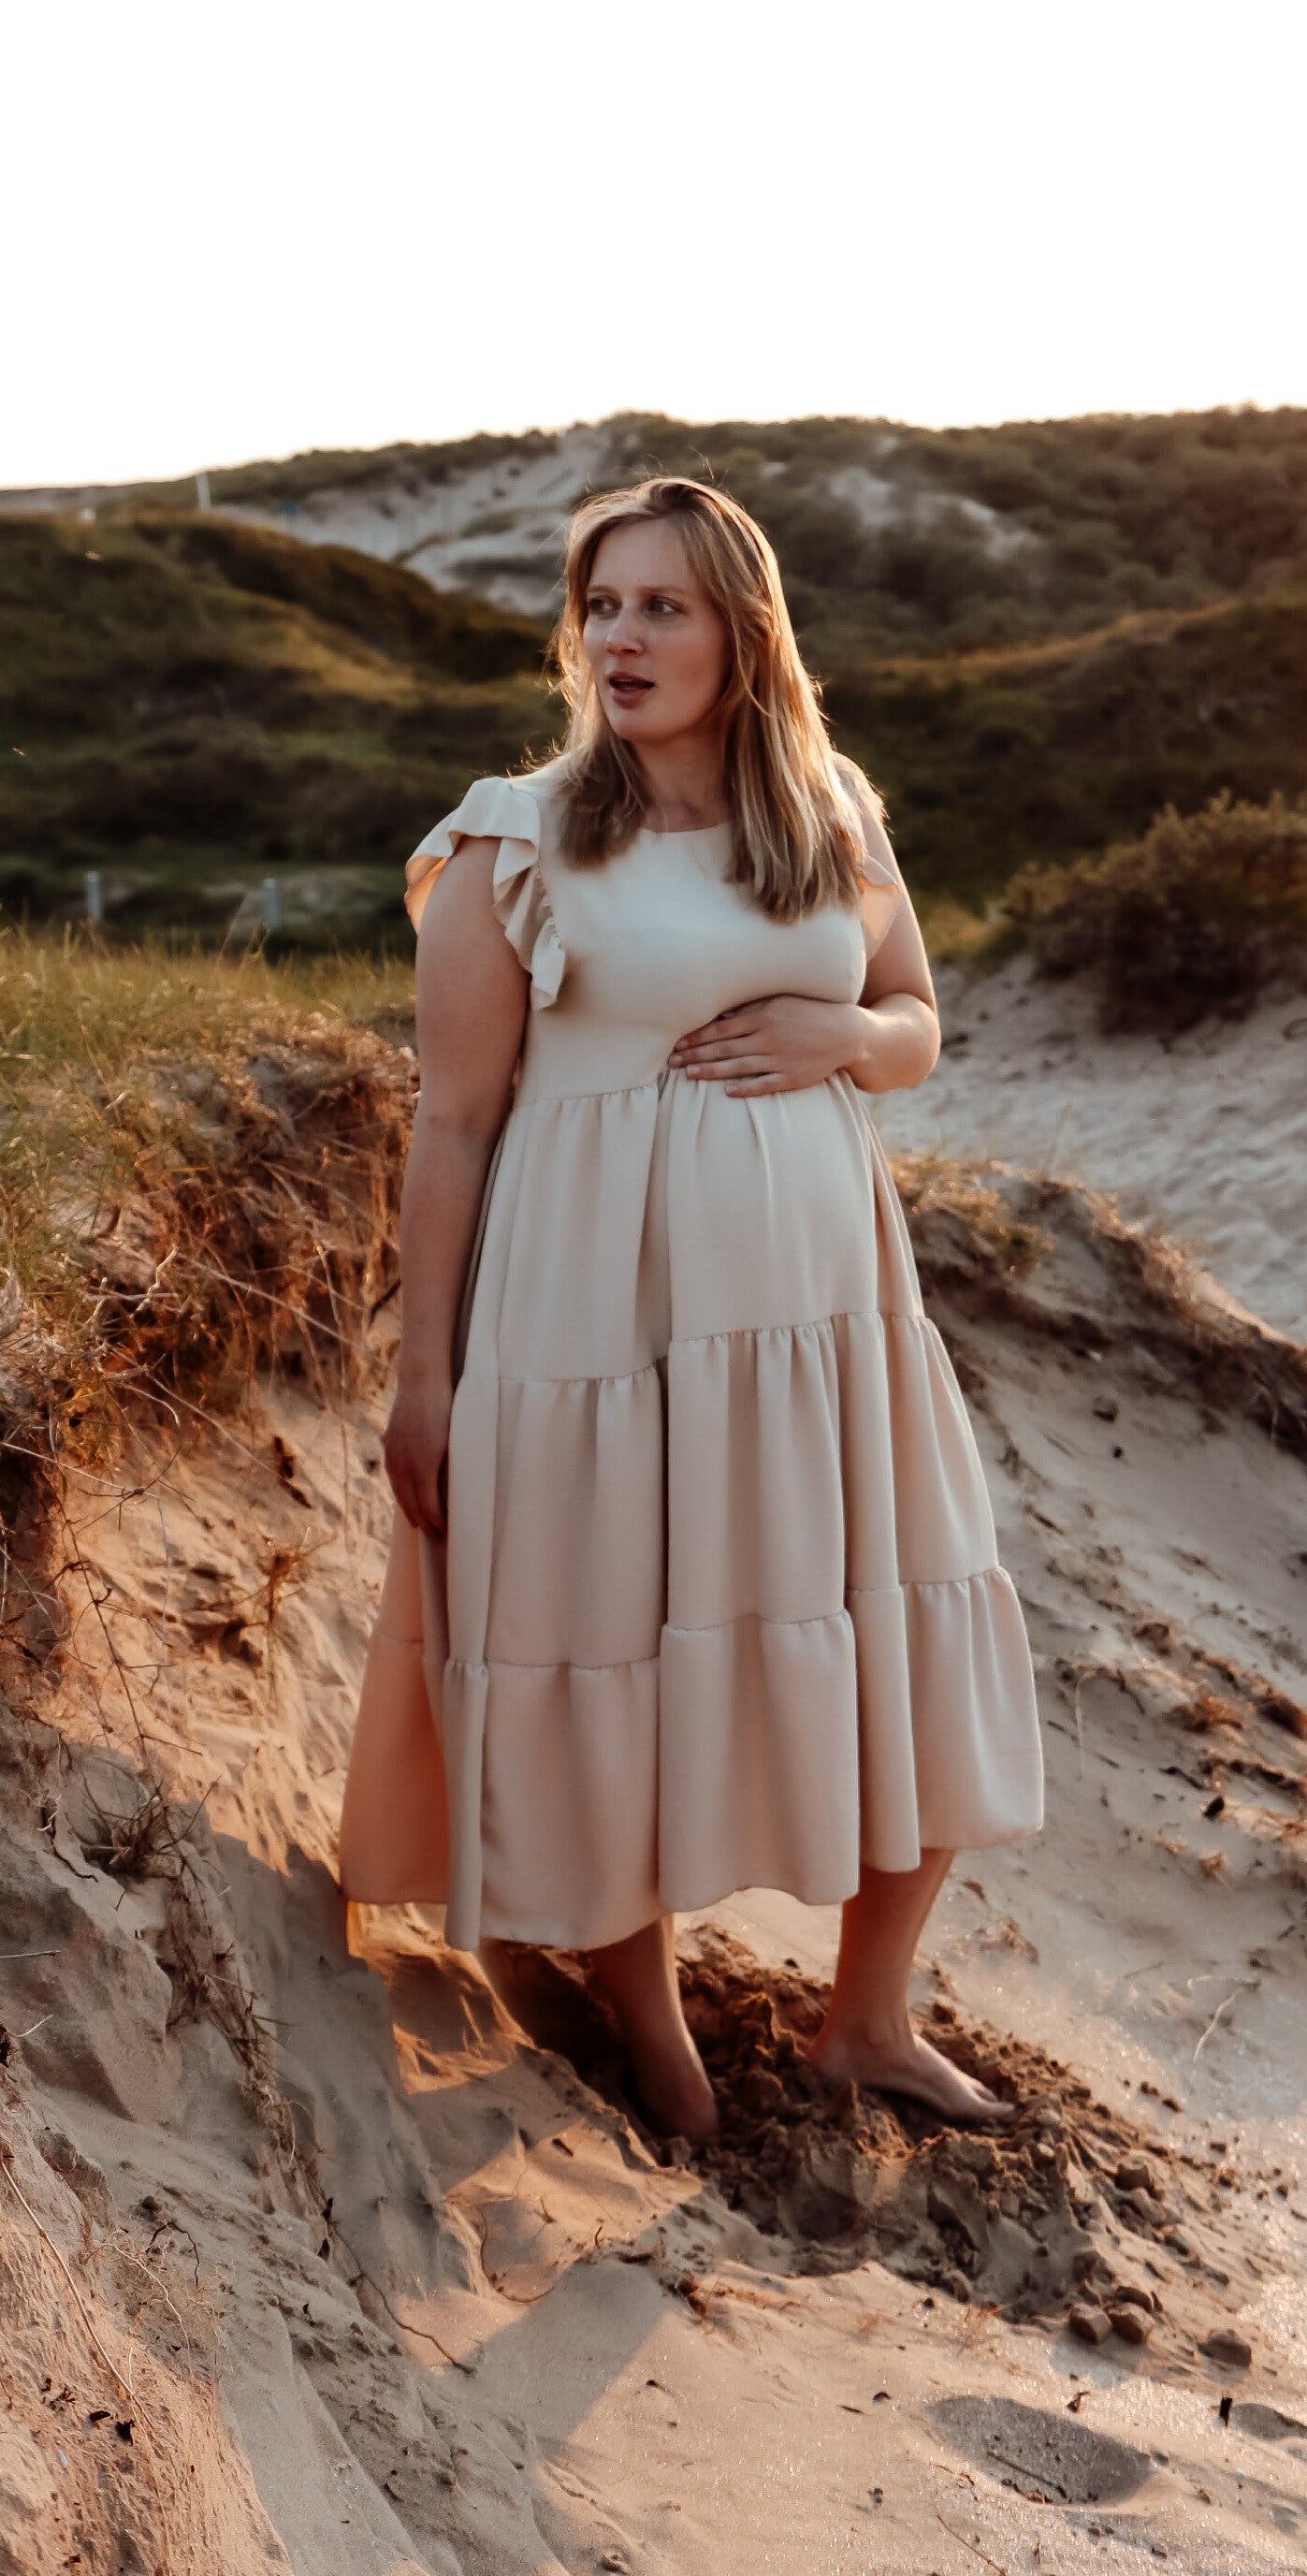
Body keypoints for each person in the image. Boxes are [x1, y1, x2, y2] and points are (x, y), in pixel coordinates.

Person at [337, 475, 1044, 2140]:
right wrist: (426, 1374)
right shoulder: (514, 837)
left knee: (902, 1621)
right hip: (592, 1325)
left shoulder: (829, 809)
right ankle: (650, 2027)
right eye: (601, 606)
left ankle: (866, 2020)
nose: (622, 638)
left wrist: (843, 1039)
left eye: (663, 606)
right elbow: (453, 1125)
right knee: (607, 1639)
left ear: (744, 630)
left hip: (827, 1324)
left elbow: (915, 1019)